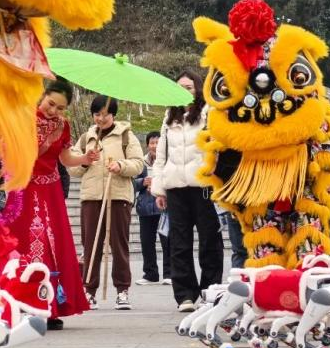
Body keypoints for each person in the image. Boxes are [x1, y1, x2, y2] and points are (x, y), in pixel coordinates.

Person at [10, 79, 96, 330]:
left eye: (60, 108)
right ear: (42, 96)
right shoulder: (22, 117)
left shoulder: (63, 125)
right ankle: (22, 304)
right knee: (25, 243)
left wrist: (85, 158)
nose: (53, 111)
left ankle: (50, 306)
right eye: (50, 104)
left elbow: (65, 158)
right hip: (24, 189)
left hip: (51, 190)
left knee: (54, 245)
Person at [152, 70, 224, 312]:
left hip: (203, 187)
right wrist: (159, 189)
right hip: (176, 188)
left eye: (188, 87)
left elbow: (216, 148)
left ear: (198, 89)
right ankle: (184, 295)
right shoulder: (169, 117)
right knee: (179, 243)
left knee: (209, 241)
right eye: (180, 87)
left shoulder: (208, 114)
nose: (184, 91)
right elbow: (161, 156)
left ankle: (210, 289)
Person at [70, 96, 143, 310]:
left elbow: (138, 164)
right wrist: (85, 161)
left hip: (118, 196)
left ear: (113, 115)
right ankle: (89, 290)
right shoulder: (86, 138)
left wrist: (121, 165)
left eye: (105, 114)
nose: (101, 118)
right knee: (90, 246)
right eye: (97, 114)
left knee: (119, 246)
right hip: (91, 197)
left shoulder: (126, 136)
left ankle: (122, 290)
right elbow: (72, 168)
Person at [135, 131, 171, 285]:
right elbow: (131, 183)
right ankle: (150, 274)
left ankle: (169, 274)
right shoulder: (141, 163)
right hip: (145, 207)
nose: (154, 146)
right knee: (146, 242)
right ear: (147, 145)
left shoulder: (168, 161)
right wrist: (142, 182)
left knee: (167, 241)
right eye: (152, 143)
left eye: (157, 142)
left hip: (164, 207)